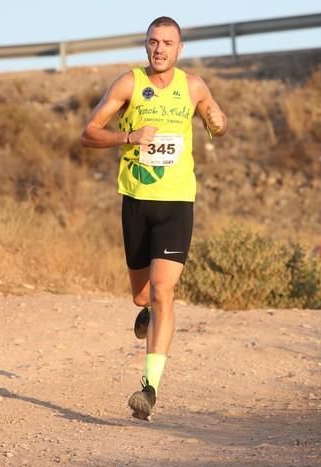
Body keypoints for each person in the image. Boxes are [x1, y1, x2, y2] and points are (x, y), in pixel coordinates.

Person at [80, 16, 227, 420]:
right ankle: (147, 311)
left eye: (167, 42)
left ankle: (150, 389)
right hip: (136, 201)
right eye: (153, 42)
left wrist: (216, 121)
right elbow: (89, 133)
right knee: (142, 296)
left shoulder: (193, 86)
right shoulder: (128, 84)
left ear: (179, 49)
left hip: (177, 203)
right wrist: (127, 136)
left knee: (164, 292)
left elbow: (218, 121)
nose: (159, 48)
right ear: (146, 46)